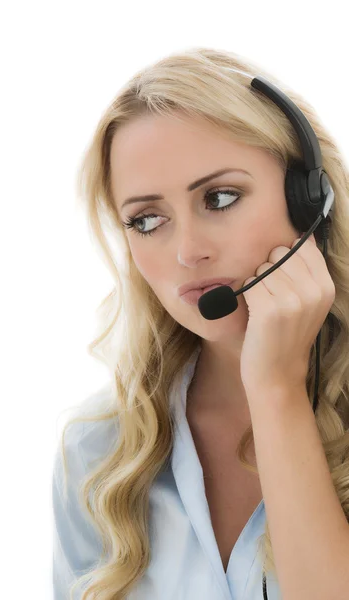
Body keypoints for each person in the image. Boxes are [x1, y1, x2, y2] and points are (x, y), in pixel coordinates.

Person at [52, 47, 349, 600]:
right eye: (147, 220)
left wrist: (277, 390)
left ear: (310, 199)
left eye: (220, 197)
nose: (188, 251)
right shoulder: (99, 451)